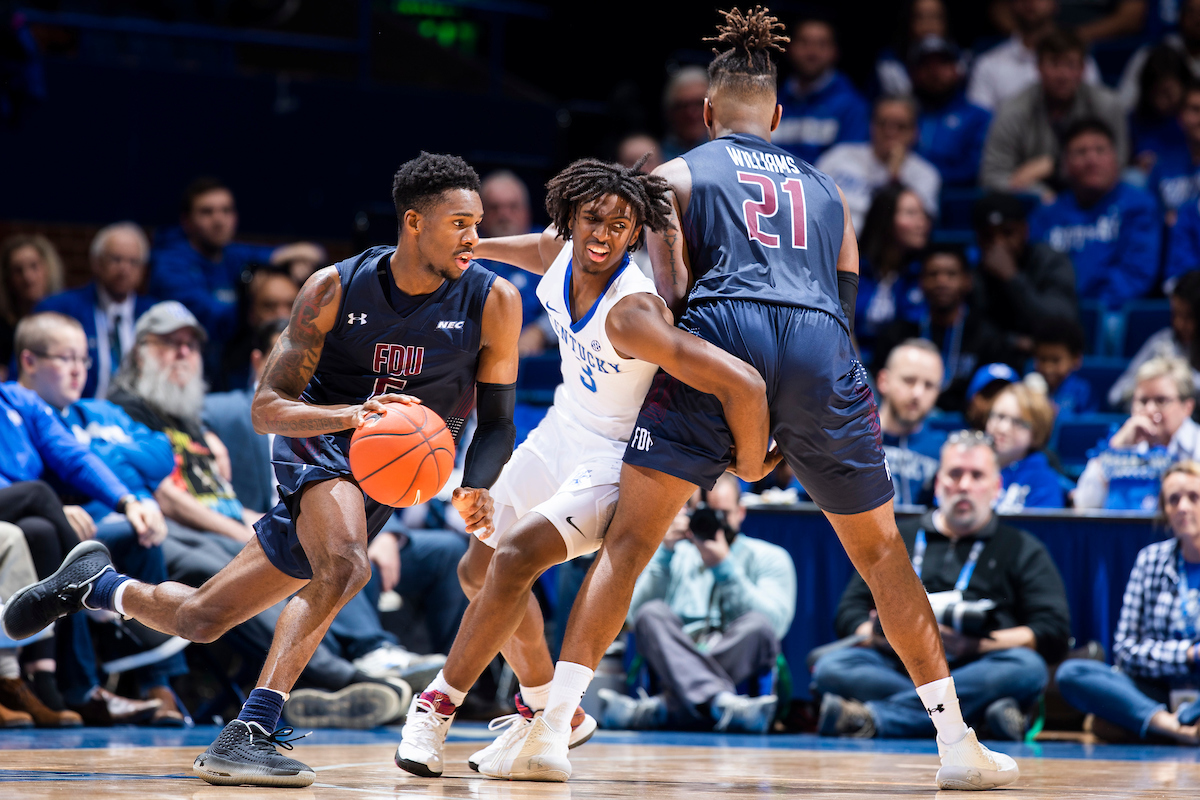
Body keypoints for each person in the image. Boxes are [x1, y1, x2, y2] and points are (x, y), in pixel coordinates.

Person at [476, 8, 1019, 789]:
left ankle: (553, 730)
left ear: (706, 112)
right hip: (822, 345)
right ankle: (957, 744)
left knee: (629, 545)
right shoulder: (832, 187)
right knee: (880, 554)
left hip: (725, 329)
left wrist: (733, 415)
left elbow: (669, 295)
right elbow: (844, 303)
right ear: (778, 114)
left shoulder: (675, 175)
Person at [4, 152, 523, 788]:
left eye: (477, 224)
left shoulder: (493, 299)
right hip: (321, 443)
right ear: (413, 223)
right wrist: (353, 416)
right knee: (348, 565)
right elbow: (266, 408)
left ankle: (94, 585)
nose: (476, 238)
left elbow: (496, 421)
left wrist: (476, 484)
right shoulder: (334, 287)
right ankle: (250, 730)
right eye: (460, 223)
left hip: (389, 472)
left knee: (202, 618)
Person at [393, 156, 771, 777]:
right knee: (476, 568)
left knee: (514, 555)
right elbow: (519, 248)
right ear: (570, 216)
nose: (604, 233)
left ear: (635, 233)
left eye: (622, 225)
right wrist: (465, 245)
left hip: (615, 459)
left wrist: (752, 461)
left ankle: (435, 707)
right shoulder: (559, 253)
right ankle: (551, 710)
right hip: (561, 431)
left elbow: (739, 380)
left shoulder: (634, 312)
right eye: (593, 217)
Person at [813, 430, 1071, 741]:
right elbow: (848, 613)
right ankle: (977, 719)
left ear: (996, 487)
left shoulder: (1021, 547)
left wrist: (975, 644)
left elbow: (1052, 630)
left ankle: (873, 718)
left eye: (976, 475)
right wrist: (888, 635)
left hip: (978, 664)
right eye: (954, 474)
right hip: (899, 665)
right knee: (832, 667)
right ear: (938, 483)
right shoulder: (895, 537)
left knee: (1027, 668)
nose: (964, 485)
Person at [15, 311, 188, 725]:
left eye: (83, 360)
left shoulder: (82, 410)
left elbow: (88, 457)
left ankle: (152, 671)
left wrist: (129, 498)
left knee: (140, 530)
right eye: (66, 358)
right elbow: (66, 464)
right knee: (56, 531)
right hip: (39, 514)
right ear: (29, 361)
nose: (78, 370)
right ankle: (87, 681)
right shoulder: (18, 400)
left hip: (62, 518)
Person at [599, 474, 795, 733]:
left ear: (741, 511)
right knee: (651, 614)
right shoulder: (673, 554)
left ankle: (662, 709)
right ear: (688, 513)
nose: (713, 522)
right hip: (678, 648)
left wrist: (724, 566)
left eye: (723, 513)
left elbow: (775, 626)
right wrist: (664, 554)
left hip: (733, 648)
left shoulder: (770, 557)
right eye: (705, 513)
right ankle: (722, 705)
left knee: (759, 625)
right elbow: (632, 618)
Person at [1056, 460, 1200, 744]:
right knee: (1073, 672)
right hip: (1156, 690)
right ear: (1164, 511)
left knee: (1103, 724)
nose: (1183, 507)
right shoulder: (1150, 560)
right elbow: (1126, 650)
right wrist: (1188, 655)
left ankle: (1141, 724)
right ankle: (1175, 728)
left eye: (1193, 497)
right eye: (1173, 500)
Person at [148, 177, 324, 376]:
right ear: (186, 221)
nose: (218, 220)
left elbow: (305, 252)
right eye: (207, 212)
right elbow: (212, 321)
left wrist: (295, 264)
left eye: (226, 211)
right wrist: (250, 293)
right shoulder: (170, 263)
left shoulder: (231, 254)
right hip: (181, 364)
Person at [1028, 118, 1160, 306]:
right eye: (1080, 152)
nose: (1091, 160)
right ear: (1065, 163)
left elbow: (1136, 274)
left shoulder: (1139, 206)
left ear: (1116, 157)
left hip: (1110, 311)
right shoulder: (1046, 214)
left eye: (1100, 150)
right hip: (1056, 311)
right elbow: (1035, 271)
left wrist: (1089, 309)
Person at [980, 30, 1127, 198]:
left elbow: (1118, 164)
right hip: (1034, 201)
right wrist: (1036, 193)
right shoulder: (1014, 110)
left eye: (1071, 65)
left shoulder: (1106, 105)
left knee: (1133, 179)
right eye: (1054, 64)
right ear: (1038, 67)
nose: (1062, 75)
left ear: (1083, 70)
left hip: (1094, 192)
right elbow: (992, 176)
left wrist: (1054, 167)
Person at [873, 245, 1017, 413]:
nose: (941, 281)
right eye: (933, 274)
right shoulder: (898, 336)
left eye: (951, 274)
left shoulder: (988, 337)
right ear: (921, 282)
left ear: (967, 281)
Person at [35, 223, 158, 399]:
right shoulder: (60, 310)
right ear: (96, 263)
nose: (125, 269)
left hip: (138, 419)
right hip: (77, 415)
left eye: (134, 262)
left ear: (143, 269)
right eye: (116, 259)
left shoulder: (153, 314)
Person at [1076, 356, 1200, 509]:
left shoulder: (1197, 445)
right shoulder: (1122, 444)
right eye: (1142, 401)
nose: (1149, 410)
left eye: (1161, 400)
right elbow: (1084, 504)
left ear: (1187, 407)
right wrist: (1116, 448)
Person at [973, 192, 1078, 358]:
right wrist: (1013, 342)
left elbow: (1060, 323)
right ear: (978, 239)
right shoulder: (976, 273)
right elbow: (975, 332)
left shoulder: (1050, 261)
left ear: (1025, 230)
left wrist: (1011, 277)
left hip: (1045, 363)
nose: (998, 244)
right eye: (988, 236)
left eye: (1007, 233)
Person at [816, 95, 941, 232]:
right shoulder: (839, 156)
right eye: (882, 124)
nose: (890, 132)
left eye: (900, 126)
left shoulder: (925, 175)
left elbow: (916, 230)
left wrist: (894, 177)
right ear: (871, 126)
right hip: (831, 239)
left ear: (914, 132)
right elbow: (813, 200)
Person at [968, 0, 1103, 111]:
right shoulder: (988, 63)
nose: (1030, 2)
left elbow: (1093, 114)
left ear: (1055, 3)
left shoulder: (1078, 60)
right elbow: (979, 125)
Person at [774, 15, 870, 165]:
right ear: (789, 48)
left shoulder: (852, 106)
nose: (812, 52)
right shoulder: (771, 100)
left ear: (835, 52)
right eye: (804, 43)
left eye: (822, 44)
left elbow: (851, 169)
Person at [909, 36, 993, 188]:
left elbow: (974, 169)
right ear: (915, 73)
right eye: (926, 64)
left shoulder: (979, 117)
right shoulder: (905, 115)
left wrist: (920, 174)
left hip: (956, 201)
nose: (934, 72)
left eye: (943, 63)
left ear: (957, 69)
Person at [1109, 270, 1200, 407]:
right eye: (1176, 314)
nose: (1179, 323)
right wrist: (1152, 387)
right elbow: (1116, 395)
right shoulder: (1161, 342)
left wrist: (1177, 379)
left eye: (1188, 317)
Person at [855, 185, 930, 347]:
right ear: (886, 218)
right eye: (911, 213)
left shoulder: (925, 273)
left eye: (923, 214)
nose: (922, 223)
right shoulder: (854, 268)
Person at [876, 340, 948, 507]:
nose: (917, 393)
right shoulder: (849, 441)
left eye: (929, 385)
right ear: (883, 381)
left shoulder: (945, 452)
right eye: (909, 380)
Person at [985, 382, 1066, 510]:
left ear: (1036, 433)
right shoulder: (969, 469)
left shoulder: (1044, 481)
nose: (1003, 428)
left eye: (1018, 422)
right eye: (999, 416)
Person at [1129, 47, 1192, 196]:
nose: (1160, 101)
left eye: (1167, 92)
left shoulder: (1193, 116)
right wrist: (1136, 164)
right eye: (1154, 92)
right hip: (1150, 187)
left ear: (1184, 86)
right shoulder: (1135, 120)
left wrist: (1162, 163)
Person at [1117, 0, 1200, 113]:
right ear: (1181, 15)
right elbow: (1126, 104)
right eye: (1192, 12)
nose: (1197, 19)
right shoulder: (1151, 54)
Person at [0, 234, 64, 378]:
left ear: (48, 269)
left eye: (34, 266)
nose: (27, 277)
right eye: (18, 270)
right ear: (7, 278)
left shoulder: (65, 316)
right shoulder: (3, 326)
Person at [875, 0, 956, 97]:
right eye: (920, 17)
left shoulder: (958, 58)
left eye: (935, 17)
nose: (928, 26)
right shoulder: (889, 62)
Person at [1031, 316, 1098, 416]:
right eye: (1043, 359)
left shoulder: (1082, 391)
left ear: (1076, 359)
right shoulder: (1028, 389)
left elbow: (1086, 427)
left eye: (1055, 360)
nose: (1048, 368)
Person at [661, 67, 711, 160]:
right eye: (683, 105)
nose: (691, 113)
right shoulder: (656, 155)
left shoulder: (730, 150)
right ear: (670, 111)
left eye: (700, 103)